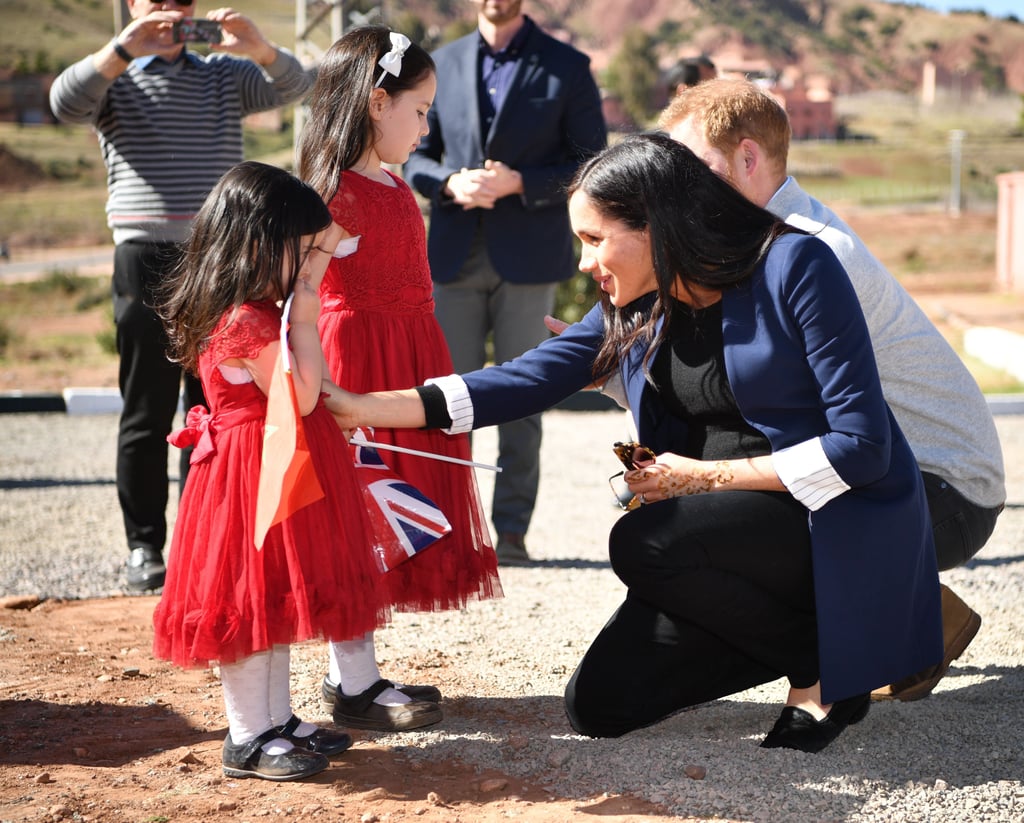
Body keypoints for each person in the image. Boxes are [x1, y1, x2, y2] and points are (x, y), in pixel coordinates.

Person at [324, 132, 944, 753]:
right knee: (599, 706)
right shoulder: (634, 301)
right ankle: (821, 642)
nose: (584, 263)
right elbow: (524, 380)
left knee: (646, 541)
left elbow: (862, 448)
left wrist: (700, 478)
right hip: (716, 532)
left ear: (656, 226)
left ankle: (831, 667)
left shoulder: (796, 265)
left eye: (594, 240)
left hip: (824, 520)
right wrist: (364, 408)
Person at [658, 78, 1006, 702]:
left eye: (693, 166)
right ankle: (911, 607)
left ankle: (911, 621)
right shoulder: (756, 239)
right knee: (717, 492)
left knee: (739, 513)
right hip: (900, 473)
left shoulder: (815, 252)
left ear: (746, 157)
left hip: (945, 491)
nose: (679, 184)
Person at [48, 2, 313, 592]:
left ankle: (206, 543)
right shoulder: (112, 77)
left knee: (219, 406)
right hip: (143, 253)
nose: (171, 9)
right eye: (155, 0)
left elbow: (299, 85)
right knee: (147, 407)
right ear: (131, 5)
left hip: (217, 256)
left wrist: (257, 46)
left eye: (183, 1)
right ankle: (145, 547)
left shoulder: (223, 74)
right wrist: (123, 49)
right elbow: (63, 103)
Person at [152, 161, 390, 781]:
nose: (313, 266)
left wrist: (310, 275)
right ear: (261, 246)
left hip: (268, 468)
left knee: (273, 601)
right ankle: (246, 735)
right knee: (247, 606)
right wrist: (307, 315)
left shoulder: (253, 309)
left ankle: (275, 721)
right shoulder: (246, 321)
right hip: (249, 479)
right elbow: (304, 393)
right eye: (304, 251)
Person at [295, 26, 501, 732]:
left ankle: (354, 673)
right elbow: (302, 296)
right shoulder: (333, 194)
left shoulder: (387, 179)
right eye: (419, 112)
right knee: (360, 517)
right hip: (357, 366)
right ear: (376, 103)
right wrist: (317, 384)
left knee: (389, 515)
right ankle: (353, 682)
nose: (426, 128)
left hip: (410, 357)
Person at [404, 0, 607, 566]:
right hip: (453, 257)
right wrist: (449, 182)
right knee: (444, 401)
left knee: (524, 402)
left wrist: (524, 183)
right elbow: (414, 154)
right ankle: (441, 534)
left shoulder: (567, 65)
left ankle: (511, 535)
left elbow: (591, 160)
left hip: (530, 259)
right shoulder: (438, 63)